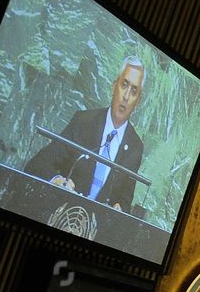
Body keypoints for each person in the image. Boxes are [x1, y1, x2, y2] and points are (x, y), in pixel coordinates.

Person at [24, 57, 147, 211]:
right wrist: (57, 180)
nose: (126, 96)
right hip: (61, 214)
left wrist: (120, 208)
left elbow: (124, 200)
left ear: (138, 101)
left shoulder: (135, 147)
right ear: (114, 86)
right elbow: (38, 163)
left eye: (134, 91)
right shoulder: (83, 122)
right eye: (124, 85)